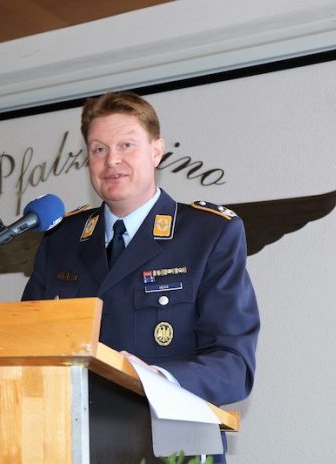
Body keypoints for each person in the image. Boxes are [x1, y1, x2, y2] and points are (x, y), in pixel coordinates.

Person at [21, 91, 259, 462]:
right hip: (71, 444)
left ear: (156, 151)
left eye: (126, 145)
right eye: (98, 149)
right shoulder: (62, 239)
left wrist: (159, 381)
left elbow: (234, 364)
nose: (111, 160)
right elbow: (28, 346)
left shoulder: (208, 235)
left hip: (169, 448)